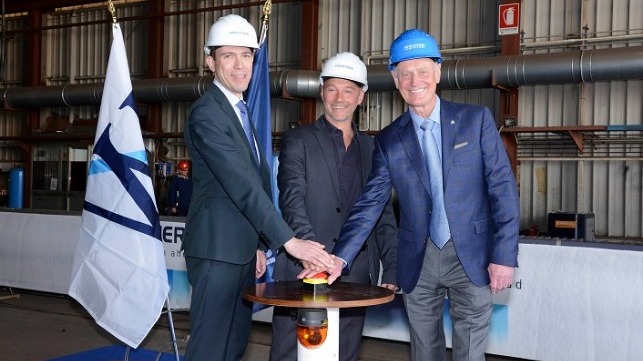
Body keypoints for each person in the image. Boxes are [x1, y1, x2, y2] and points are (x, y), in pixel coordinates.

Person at [306, 29, 520, 361]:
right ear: (395, 78)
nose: (414, 80)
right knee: (424, 351)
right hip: (419, 259)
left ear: (437, 71)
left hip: (474, 255)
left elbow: (503, 190)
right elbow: (371, 203)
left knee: (470, 353)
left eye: (422, 70)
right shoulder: (390, 139)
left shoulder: (475, 121)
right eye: (405, 73)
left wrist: (504, 256)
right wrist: (341, 256)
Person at [182, 14, 335, 361]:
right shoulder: (207, 114)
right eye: (228, 56)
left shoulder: (239, 111)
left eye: (247, 55)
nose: (240, 65)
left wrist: (256, 244)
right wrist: (289, 241)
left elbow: (254, 183)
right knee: (209, 349)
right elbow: (240, 185)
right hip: (217, 252)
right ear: (210, 61)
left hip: (239, 252)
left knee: (234, 347)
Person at [269, 52, 399, 361]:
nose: (338, 98)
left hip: (355, 277)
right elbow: (291, 198)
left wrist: (392, 266)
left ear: (361, 96)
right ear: (321, 91)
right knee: (290, 353)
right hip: (303, 274)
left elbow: (383, 215)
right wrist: (312, 255)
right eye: (332, 89)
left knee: (345, 354)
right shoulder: (297, 140)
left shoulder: (373, 148)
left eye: (348, 90)